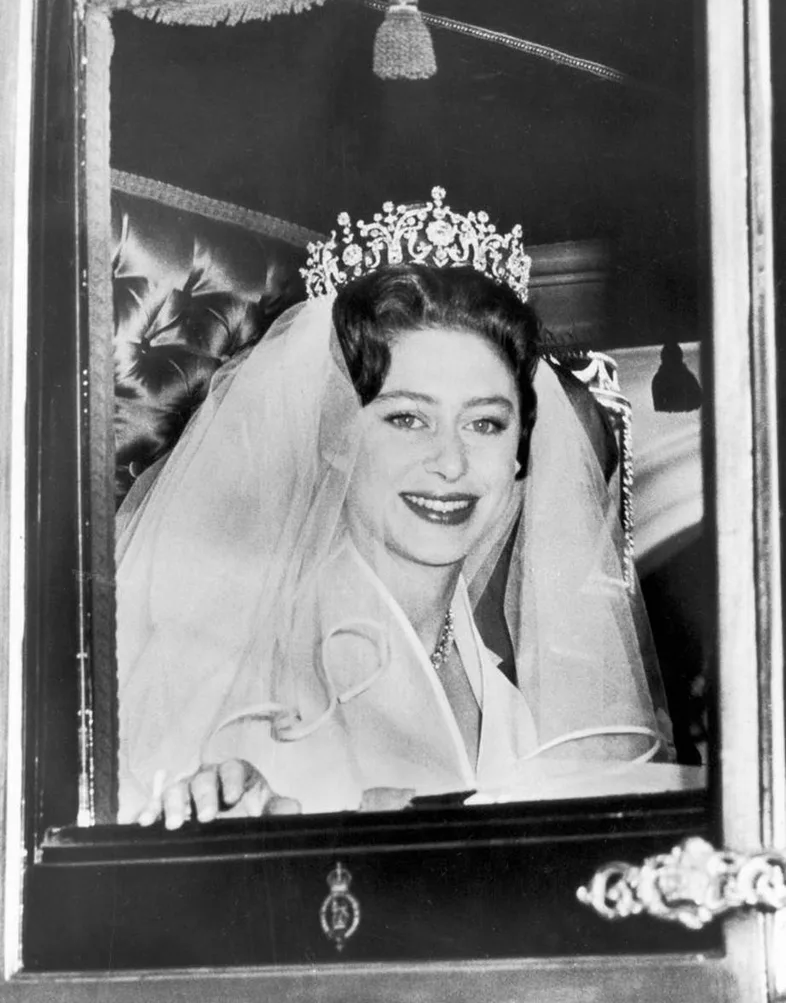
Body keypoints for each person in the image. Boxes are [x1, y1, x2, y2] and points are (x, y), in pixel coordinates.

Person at [116, 188, 673, 828]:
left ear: (521, 450)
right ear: (334, 436)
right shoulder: (229, 666)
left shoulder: (507, 692)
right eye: (406, 418)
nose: (452, 463)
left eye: (486, 424)